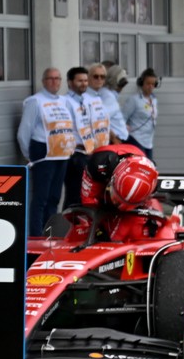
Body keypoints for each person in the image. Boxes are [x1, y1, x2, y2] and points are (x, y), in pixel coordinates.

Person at [17, 67, 79, 236]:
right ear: (44, 81)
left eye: (57, 78)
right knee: (41, 198)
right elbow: (24, 132)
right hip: (43, 153)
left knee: (55, 197)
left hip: (61, 153)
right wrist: (30, 156)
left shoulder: (65, 101)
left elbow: (71, 126)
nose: (54, 81)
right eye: (50, 78)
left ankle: (51, 233)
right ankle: (36, 235)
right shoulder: (35, 101)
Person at [63, 66, 108, 207]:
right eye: (79, 81)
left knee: (86, 194)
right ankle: (69, 226)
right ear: (70, 82)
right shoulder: (65, 101)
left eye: (85, 80)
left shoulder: (86, 101)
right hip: (74, 155)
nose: (84, 84)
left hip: (88, 153)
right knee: (74, 194)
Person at [120, 69, 159, 159]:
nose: (150, 86)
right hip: (136, 139)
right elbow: (122, 117)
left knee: (149, 167)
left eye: (153, 84)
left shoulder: (154, 100)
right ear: (142, 83)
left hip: (148, 141)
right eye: (148, 83)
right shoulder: (134, 100)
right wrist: (125, 128)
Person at [87, 63, 128, 146]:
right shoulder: (104, 95)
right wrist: (113, 137)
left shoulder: (99, 95)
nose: (99, 79)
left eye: (102, 77)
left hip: (111, 140)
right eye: (96, 76)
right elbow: (100, 120)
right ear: (88, 77)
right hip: (114, 141)